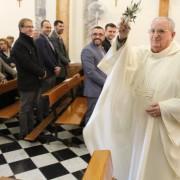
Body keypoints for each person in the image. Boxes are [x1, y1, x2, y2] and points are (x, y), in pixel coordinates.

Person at [83, 17, 180, 180]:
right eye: (152, 31)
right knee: (137, 164)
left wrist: (166, 108)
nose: (155, 35)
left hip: (162, 131)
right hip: (138, 126)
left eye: (161, 31)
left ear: (173, 34)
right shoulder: (142, 53)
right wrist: (122, 37)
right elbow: (121, 60)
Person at [11, 18, 46, 139]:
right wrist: (41, 72)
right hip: (27, 82)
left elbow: (36, 59)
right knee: (25, 108)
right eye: (28, 26)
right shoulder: (19, 44)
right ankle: (23, 133)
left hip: (35, 81)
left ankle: (31, 129)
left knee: (31, 107)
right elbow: (27, 63)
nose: (31, 28)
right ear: (21, 28)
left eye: (32, 26)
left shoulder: (29, 41)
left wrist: (42, 71)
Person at [81, 26, 106, 125]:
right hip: (94, 90)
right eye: (95, 34)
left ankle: (94, 138)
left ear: (104, 36)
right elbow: (90, 72)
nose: (97, 36)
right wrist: (107, 83)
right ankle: (87, 139)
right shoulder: (87, 50)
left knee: (98, 116)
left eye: (100, 34)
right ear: (91, 35)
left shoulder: (101, 48)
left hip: (101, 88)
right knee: (91, 116)